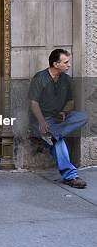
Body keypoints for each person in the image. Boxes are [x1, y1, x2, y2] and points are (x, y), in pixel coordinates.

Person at [28, 49, 88, 188]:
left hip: (59, 120)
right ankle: (71, 176)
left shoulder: (66, 79)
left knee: (82, 117)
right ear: (55, 64)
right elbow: (33, 103)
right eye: (66, 62)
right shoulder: (40, 78)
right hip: (42, 120)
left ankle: (52, 134)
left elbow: (70, 102)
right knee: (59, 141)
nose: (69, 65)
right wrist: (42, 122)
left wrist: (64, 112)